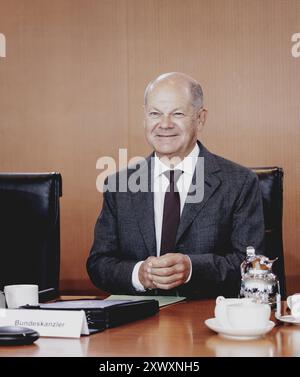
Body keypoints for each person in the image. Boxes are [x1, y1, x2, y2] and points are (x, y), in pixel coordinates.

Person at [86, 72, 265, 298]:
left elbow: (252, 265)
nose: (164, 124)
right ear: (144, 118)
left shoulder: (239, 182)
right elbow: (99, 263)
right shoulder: (119, 185)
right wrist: (139, 274)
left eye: (177, 114)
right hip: (139, 323)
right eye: (155, 114)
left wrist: (192, 269)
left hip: (209, 318)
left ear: (200, 118)